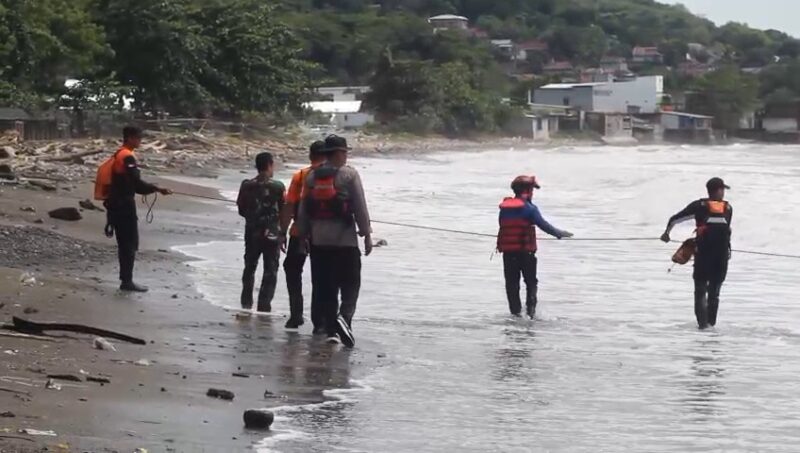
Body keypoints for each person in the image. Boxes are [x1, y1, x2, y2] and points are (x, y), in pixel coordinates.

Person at [297, 135, 371, 347]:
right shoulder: (349, 175)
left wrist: (302, 236)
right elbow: (360, 206)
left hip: (319, 242)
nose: (346, 155)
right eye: (345, 152)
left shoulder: (311, 176)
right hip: (345, 242)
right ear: (338, 153)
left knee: (326, 287)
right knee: (351, 284)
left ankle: (331, 331)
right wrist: (366, 234)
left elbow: (303, 210)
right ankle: (344, 318)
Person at [105, 126, 171, 293]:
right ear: (130, 138)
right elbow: (136, 184)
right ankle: (127, 282)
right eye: (138, 138)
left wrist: (155, 189)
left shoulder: (120, 153)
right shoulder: (127, 156)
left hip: (116, 204)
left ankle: (126, 279)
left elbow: (133, 184)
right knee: (129, 244)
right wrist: (157, 189)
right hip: (123, 205)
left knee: (125, 243)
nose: (140, 141)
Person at [497, 175, 572, 319]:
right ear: (527, 191)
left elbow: (501, 224)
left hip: (509, 253)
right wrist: (560, 234)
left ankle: (515, 315)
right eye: (532, 190)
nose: (532, 193)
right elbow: (544, 225)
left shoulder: (504, 208)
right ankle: (530, 315)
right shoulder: (530, 209)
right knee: (531, 283)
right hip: (526, 253)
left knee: (512, 284)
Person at [661, 177, 733, 329]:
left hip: (703, 254)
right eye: (722, 189)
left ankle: (702, 327)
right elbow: (727, 232)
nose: (723, 193)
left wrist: (666, 234)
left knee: (700, 290)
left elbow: (675, 219)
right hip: (721, 257)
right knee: (714, 293)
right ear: (718, 190)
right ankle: (711, 327)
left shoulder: (699, 206)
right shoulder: (728, 208)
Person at [280, 140, 326, 330]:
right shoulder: (334, 176)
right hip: (324, 235)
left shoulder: (300, 175)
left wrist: (282, 232)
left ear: (310, 155)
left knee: (292, 269)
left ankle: (296, 315)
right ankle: (320, 321)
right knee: (321, 276)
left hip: (299, 232)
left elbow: (289, 205)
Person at [237, 152, 286, 313]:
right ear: (270, 165)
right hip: (271, 233)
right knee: (270, 270)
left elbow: (241, 209)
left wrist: (253, 216)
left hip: (252, 232)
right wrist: (283, 232)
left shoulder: (246, 185)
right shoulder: (278, 186)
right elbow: (284, 210)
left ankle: (246, 303)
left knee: (249, 267)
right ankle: (264, 305)